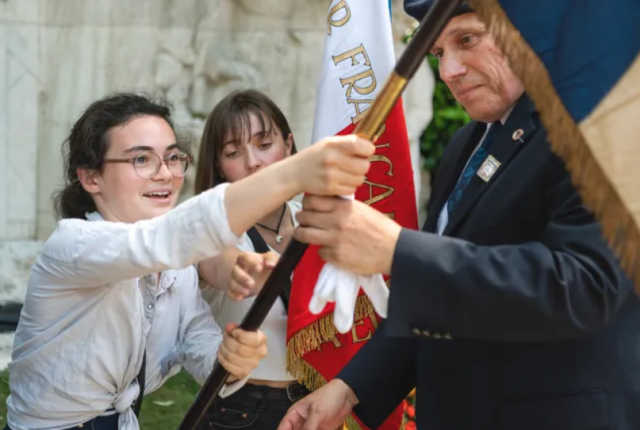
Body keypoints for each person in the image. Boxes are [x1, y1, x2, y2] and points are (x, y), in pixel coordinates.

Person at [277, 2, 640, 430]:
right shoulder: (466, 143)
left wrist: (398, 251)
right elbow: (439, 298)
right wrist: (349, 388)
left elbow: (583, 285)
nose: (449, 70)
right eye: (436, 53)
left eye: (467, 40)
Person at [4, 92, 374, 430]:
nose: (164, 173)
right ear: (90, 177)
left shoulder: (176, 263)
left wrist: (230, 358)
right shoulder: (73, 245)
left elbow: (196, 337)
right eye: (141, 159)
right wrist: (295, 171)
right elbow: (171, 239)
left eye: (172, 157)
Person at [194, 89, 309, 430]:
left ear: (288, 145)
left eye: (264, 144)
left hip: (317, 405)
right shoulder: (210, 231)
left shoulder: (315, 221)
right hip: (240, 413)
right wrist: (245, 271)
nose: (253, 161)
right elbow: (220, 263)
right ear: (218, 165)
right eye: (233, 152)